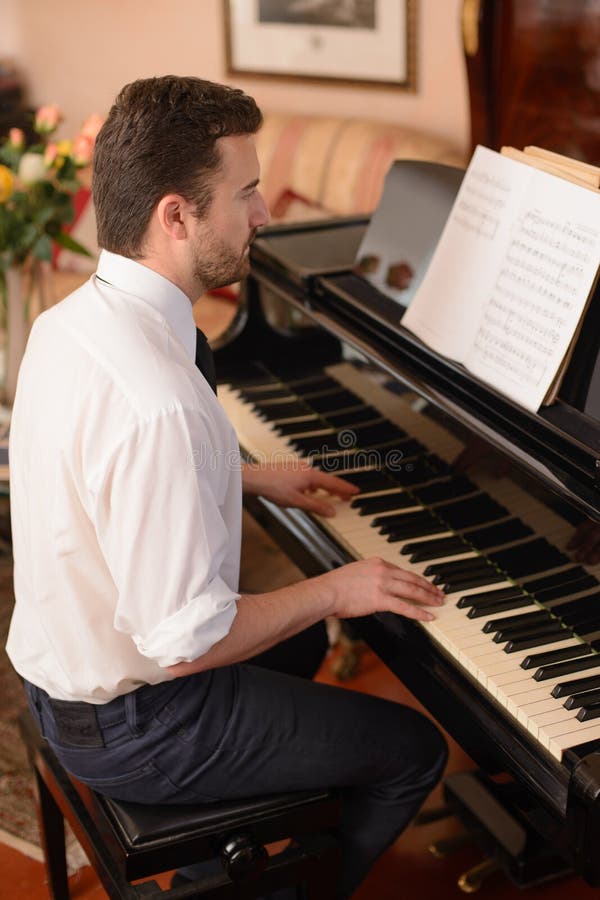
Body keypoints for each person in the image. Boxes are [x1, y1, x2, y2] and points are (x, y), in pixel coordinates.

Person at [6, 75, 447, 898]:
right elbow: (186, 645)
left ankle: (213, 874)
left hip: (61, 680)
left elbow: (108, 476)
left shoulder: (71, 323)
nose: (265, 213)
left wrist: (245, 477)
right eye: (246, 193)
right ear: (176, 215)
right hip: (138, 725)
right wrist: (337, 588)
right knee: (411, 751)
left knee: (303, 649)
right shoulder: (161, 403)